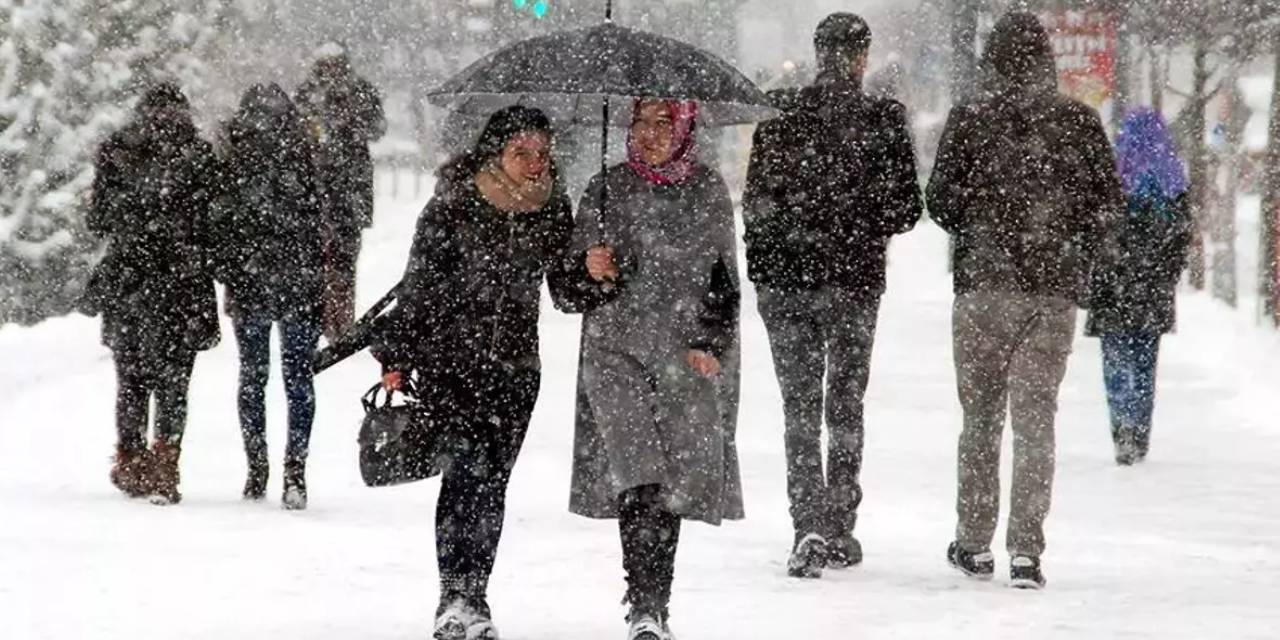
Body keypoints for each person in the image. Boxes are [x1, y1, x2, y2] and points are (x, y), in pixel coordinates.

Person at [926, 12, 1124, 590]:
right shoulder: (1078, 122)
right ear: (1047, 60)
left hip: (984, 288)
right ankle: (1025, 551)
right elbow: (1107, 207)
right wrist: (1068, 239)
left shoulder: (970, 119)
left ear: (992, 59)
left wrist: (982, 221)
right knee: (1037, 422)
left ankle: (973, 541)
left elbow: (938, 200)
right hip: (1053, 291)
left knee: (981, 418)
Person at [372, 106, 571, 640]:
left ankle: (475, 593)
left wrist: (595, 269)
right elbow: (418, 288)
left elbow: (568, 293)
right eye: (520, 153)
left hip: (516, 370)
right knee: (464, 475)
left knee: (492, 484)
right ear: (495, 153)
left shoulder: (552, 209)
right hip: (450, 365)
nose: (533, 164)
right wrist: (397, 356)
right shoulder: (453, 205)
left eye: (541, 154)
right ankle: (454, 596)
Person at [552, 98, 742, 640]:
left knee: (671, 482)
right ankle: (644, 605)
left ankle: (654, 600)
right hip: (615, 355)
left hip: (683, 357)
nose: (651, 133)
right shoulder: (604, 189)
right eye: (641, 121)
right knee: (639, 476)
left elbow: (724, 281)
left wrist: (709, 341)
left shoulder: (708, 191)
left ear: (686, 128)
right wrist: (590, 269)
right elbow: (566, 292)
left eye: (665, 122)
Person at [742, 12, 923, 578]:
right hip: (853, 281)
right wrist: (858, 218)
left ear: (818, 52)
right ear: (862, 57)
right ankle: (841, 523)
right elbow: (905, 211)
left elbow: (757, 202)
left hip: (787, 282)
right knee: (845, 402)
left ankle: (808, 523)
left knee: (798, 406)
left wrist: (768, 266)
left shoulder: (779, 113)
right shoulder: (883, 119)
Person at [85, 82, 222, 505]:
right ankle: (166, 462)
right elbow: (213, 223)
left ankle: (130, 459)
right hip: (183, 282)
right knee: (174, 381)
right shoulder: (198, 156)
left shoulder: (118, 150)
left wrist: (133, 225)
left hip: (130, 280)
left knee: (130, 379)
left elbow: (98, 219)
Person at [216, 83, 326, 509]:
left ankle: (257, 466)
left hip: (251, 283)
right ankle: (294, 469)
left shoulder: (234, 159)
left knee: (253, 377)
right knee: (298, 379)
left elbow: (222, 225)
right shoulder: (303, 156)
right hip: (297, 283)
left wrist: (231, 270)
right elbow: (320, 226)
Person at [1085, 108, 1192, 466]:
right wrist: (1167, 275)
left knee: (1115, 361)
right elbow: (1181, 238)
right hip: (1152, 288)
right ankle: (1140, 431)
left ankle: (1121, 428)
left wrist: (1097, 269)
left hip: (1113, 286)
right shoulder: (1173, 181)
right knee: (1146, 363)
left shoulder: (1114, 175)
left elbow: (1094, 230)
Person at [294, 41, 386, 342]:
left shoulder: (359, 92)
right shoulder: (308, 94)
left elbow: (378, 128)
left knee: (344, 261)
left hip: (349, 191)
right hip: (315, 191)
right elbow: (294, 132)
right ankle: (320, 319)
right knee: (315, 261)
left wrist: (350, 124)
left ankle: (341, 323)